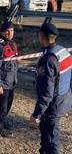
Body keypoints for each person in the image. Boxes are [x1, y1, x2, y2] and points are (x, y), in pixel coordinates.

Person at [30, 22, 72, 154]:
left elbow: (47, 92)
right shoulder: (63, 51)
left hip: (53, 104)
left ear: (42, 36)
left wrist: (37, 113)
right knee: (47, 133)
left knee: (52, 138)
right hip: (65, 98)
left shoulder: (48, 59)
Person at [0, 21, 18, 135]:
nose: (9, 33)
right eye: (7, 31)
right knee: (1, 106)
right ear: (2, 32)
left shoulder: (12, 43)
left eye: (11, 30)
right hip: (3, 82)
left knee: (8, 104)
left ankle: (2, 122)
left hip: (11, 81)